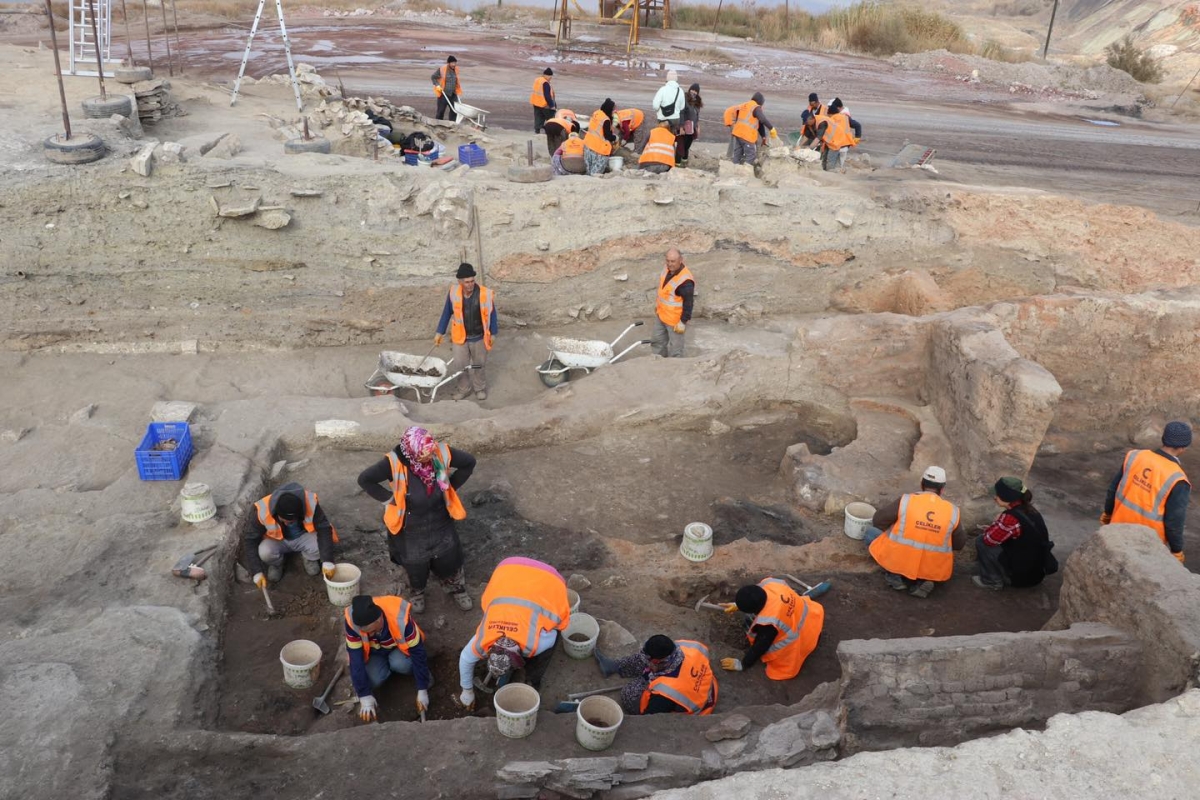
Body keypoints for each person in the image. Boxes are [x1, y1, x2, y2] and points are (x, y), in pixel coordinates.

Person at [356, 426, 476, 613]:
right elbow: (365, 479)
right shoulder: (393, 462)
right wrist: (391, 499)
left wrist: (450, 486)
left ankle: (456, 587)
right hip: (410, 527)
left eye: (431, 453)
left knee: (449, 557)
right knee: (414, 563)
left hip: (440, 520)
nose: (429, 457)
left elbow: (469, 462)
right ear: (411, 452)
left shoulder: (439, 452)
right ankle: (417, 592)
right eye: (423, 455)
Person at [455, 557, 571, 709]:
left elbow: (554, 633)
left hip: (551, 579)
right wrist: (467, 691)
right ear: (488, 651)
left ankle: (532, 680)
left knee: (553, 635)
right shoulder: (483, 640)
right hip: (507, 569)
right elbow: (465, 658)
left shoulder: (537, 644)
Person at [864, 466, 965, 598]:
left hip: (899, 560)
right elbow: (959, 544)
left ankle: (894, 575)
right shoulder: (952, 511)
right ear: (942, 489)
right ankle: (922, 580)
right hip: (931, 567)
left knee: (870, 533)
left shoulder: (906, 501)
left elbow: (878, 521)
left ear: (922, 483)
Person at [1103, 420, 1191, 562]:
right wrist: (1176, 550)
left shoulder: (1134, 456)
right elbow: (1174, 521)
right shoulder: (1178, 479)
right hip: (1147, 545)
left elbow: (1113, 489)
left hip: (1117, 529)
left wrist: (1107, 514)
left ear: (1163, 439)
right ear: (1182, 448)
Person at [345, 594, 432, 723]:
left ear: (380, 619)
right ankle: (386, 673)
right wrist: (364, 695)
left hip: (398, 650)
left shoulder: (401, 619)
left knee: (401, 664)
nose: (370, 635)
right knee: (373, 679)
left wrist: (422, 688)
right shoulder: (353, 622)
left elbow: (418, 653)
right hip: (375, 653)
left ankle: (426, 679)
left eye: (373, 631)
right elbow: (355, 660)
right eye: (367, 633)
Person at [718, 579, 824, 681]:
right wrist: (738, 605)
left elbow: (760, 646)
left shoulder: (770, 623)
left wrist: (742, 664)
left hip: (803, 642)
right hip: (813, 621)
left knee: (751, 624)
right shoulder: (772, 584)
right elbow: (754, 594)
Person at [585, 635, 717, 716]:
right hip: (702, 682)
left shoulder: (667, 694)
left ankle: (646, 678)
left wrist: (647, 680)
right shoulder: (687, 647)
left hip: (694, 704)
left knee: (629, 693)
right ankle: (615, 666)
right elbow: (647, 657)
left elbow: (651, 716)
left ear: (657, 662)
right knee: (643, 659)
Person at [243, 482, 338, 588]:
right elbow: (250, 540)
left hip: (303, 537)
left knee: (320, 544)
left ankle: (309, 557)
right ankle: (277, 563)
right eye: (285, 521)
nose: (288, 523)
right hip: (277, 540)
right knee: (265, 552)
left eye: (292, 521)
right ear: (277, 514)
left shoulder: (310, 503)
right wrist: (256, 571)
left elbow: (324, 528)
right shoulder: (263, 510)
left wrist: (327, 560)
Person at [974, 477, 1056, 590]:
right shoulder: (1030, 510)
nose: (994, 497)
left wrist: (994, 524)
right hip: (1036, 574)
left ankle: (992, 581)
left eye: (997, 494)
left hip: (1021, 578)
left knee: (981, 541)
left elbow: (989, 540)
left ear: (1007, 497)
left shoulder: (1010, 518)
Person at [434, 262, 497, 401]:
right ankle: (464, 389)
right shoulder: (453, 293)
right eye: (467, 282)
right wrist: (440, 332)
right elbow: (446, 313)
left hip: (479, 337)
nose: (470, 284)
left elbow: (492, 314)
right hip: (460, 337)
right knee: (460, 366)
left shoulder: (484, 294)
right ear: (460, 282)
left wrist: (493, 333)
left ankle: (479, 388)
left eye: (472, 281)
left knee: (479, 365)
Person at [651, 247, 694, 358]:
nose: (669, 264)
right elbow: (664, 291)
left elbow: (688, 304)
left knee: (676, 349)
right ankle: (658, 364)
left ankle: (675, 371)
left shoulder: (685, 281)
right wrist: (658, 306)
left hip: (674, 321)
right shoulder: (666, 269)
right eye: (668, 260)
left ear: (681, 260)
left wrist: (683, 322)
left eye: (673, 261)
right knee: (657, 342)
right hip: (661, 315)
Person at [725, 92, 777, 166]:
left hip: (738, 133)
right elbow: (763, 119)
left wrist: (763, 137)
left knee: (738, 153)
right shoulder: (755, 107)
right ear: (760, 102)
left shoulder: (745, 105)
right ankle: (746, 173)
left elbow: (760, 123)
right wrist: (771, 128)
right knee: (751, 155)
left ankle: (735, 168)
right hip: (746, 135)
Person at [816, 97, 859, 172]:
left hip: (837, 145)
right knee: (840, 164)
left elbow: (828, 134)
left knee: (831, 165)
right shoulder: (845, 117)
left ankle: (835, 176)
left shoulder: (831, 120)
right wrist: (857, 137)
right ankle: (841, 174)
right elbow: (858, 125)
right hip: (846, 145)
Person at [582, 99, 616, 176]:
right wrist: (615, 138)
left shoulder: (597, 113)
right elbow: (608, 136)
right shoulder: (606, 120)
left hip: (587, 144)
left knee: (588, 170)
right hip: (597, 149)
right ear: (609, 109)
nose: (614, 111)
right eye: (613, 109)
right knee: (596, 173)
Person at [675, 83, 702, 167]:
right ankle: (677, 165)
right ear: (689, 89)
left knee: (687, 147)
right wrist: (681, 127)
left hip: (692, 128)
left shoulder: (697, 102)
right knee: (681, 147)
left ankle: (684, 164)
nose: (693, 92)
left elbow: (696, 115)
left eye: (696, 91)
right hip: (683, 127)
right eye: (692, 89)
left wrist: (697, 126)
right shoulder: (684, 99)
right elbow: (681, 113)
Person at [431, 55, 462, 121]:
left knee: (454, 111)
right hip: (443, 94)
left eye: (455, 63)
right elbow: (433, 77)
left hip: (453, 94)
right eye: (452, 63)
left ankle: (452, 125)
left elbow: (456, 80)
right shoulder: (442, 69)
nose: (454, 64)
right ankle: (438, 124)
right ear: (449, 63)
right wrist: (437, 85)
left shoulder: (456, 69)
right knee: (440, 111)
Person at [530, 67, 556, 134]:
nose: (551, 77)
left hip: (536, 103)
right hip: (544, 105)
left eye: (551, 76)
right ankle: (550, 132)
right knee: (551, 119)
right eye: (550, 76)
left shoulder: (538, 80)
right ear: (546, 75)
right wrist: (552, 105)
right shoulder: (545, 83)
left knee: (538, 118)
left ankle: (537, 131)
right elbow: (547, 95)